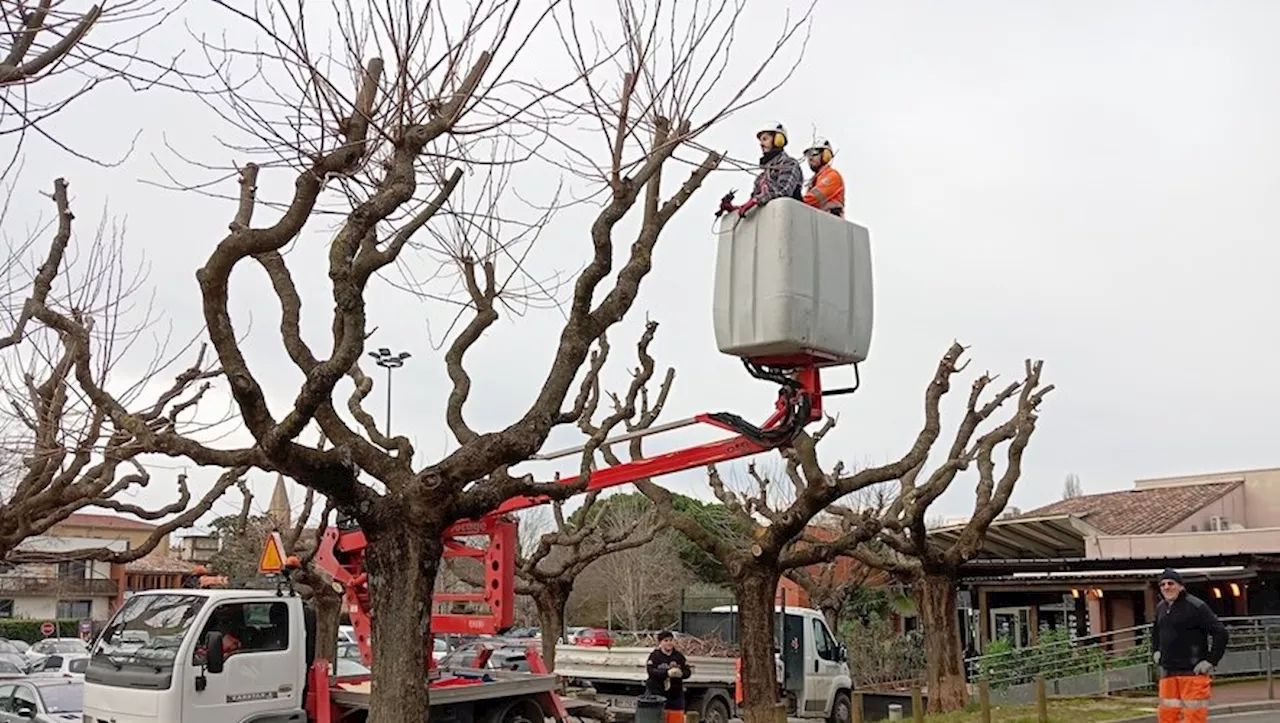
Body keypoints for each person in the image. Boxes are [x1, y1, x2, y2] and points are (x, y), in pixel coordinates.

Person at [1153, 568, 1228, 723]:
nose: (1166, 587)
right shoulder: (1161, 607)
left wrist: (1211, 661)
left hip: (1192, 673)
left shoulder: (1196, 606)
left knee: (1194, 717)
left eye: (1171, 583)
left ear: (1181, 586)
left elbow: (1220, 632)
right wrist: (1156, 650)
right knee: (1167, 716)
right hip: (1168, 673)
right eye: (1163, 584)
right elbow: (1156, 632)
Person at [720, 122, 804, 218]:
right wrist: (734, 209)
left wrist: (756, 200)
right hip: (768, 220)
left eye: (765, 139)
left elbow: (783, 191)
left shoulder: (789, 164)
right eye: (760, 141)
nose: (761, 144)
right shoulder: (761, 178)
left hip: (789, 218)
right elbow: (753, 203)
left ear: (778, 140)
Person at [646, 630, 692, 719]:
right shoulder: (655, 656)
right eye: (666, 640)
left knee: (676, 718)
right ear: (660, 642)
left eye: (671, 640)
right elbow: (651, 671)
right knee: (658, 718)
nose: (669, 643)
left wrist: (681, 673)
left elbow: (688, 672)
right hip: (657, 693)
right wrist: (666, 673)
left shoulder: (679, 656)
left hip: (675, 694)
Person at [801, 138, 845, 218]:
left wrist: (796, 201)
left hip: (831, 222)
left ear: (825, 155)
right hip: (818, 221)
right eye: (808, 155)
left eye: (814, 153)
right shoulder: (813, 181)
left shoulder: (832, 176)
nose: (810, 158)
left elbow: (814, 198)